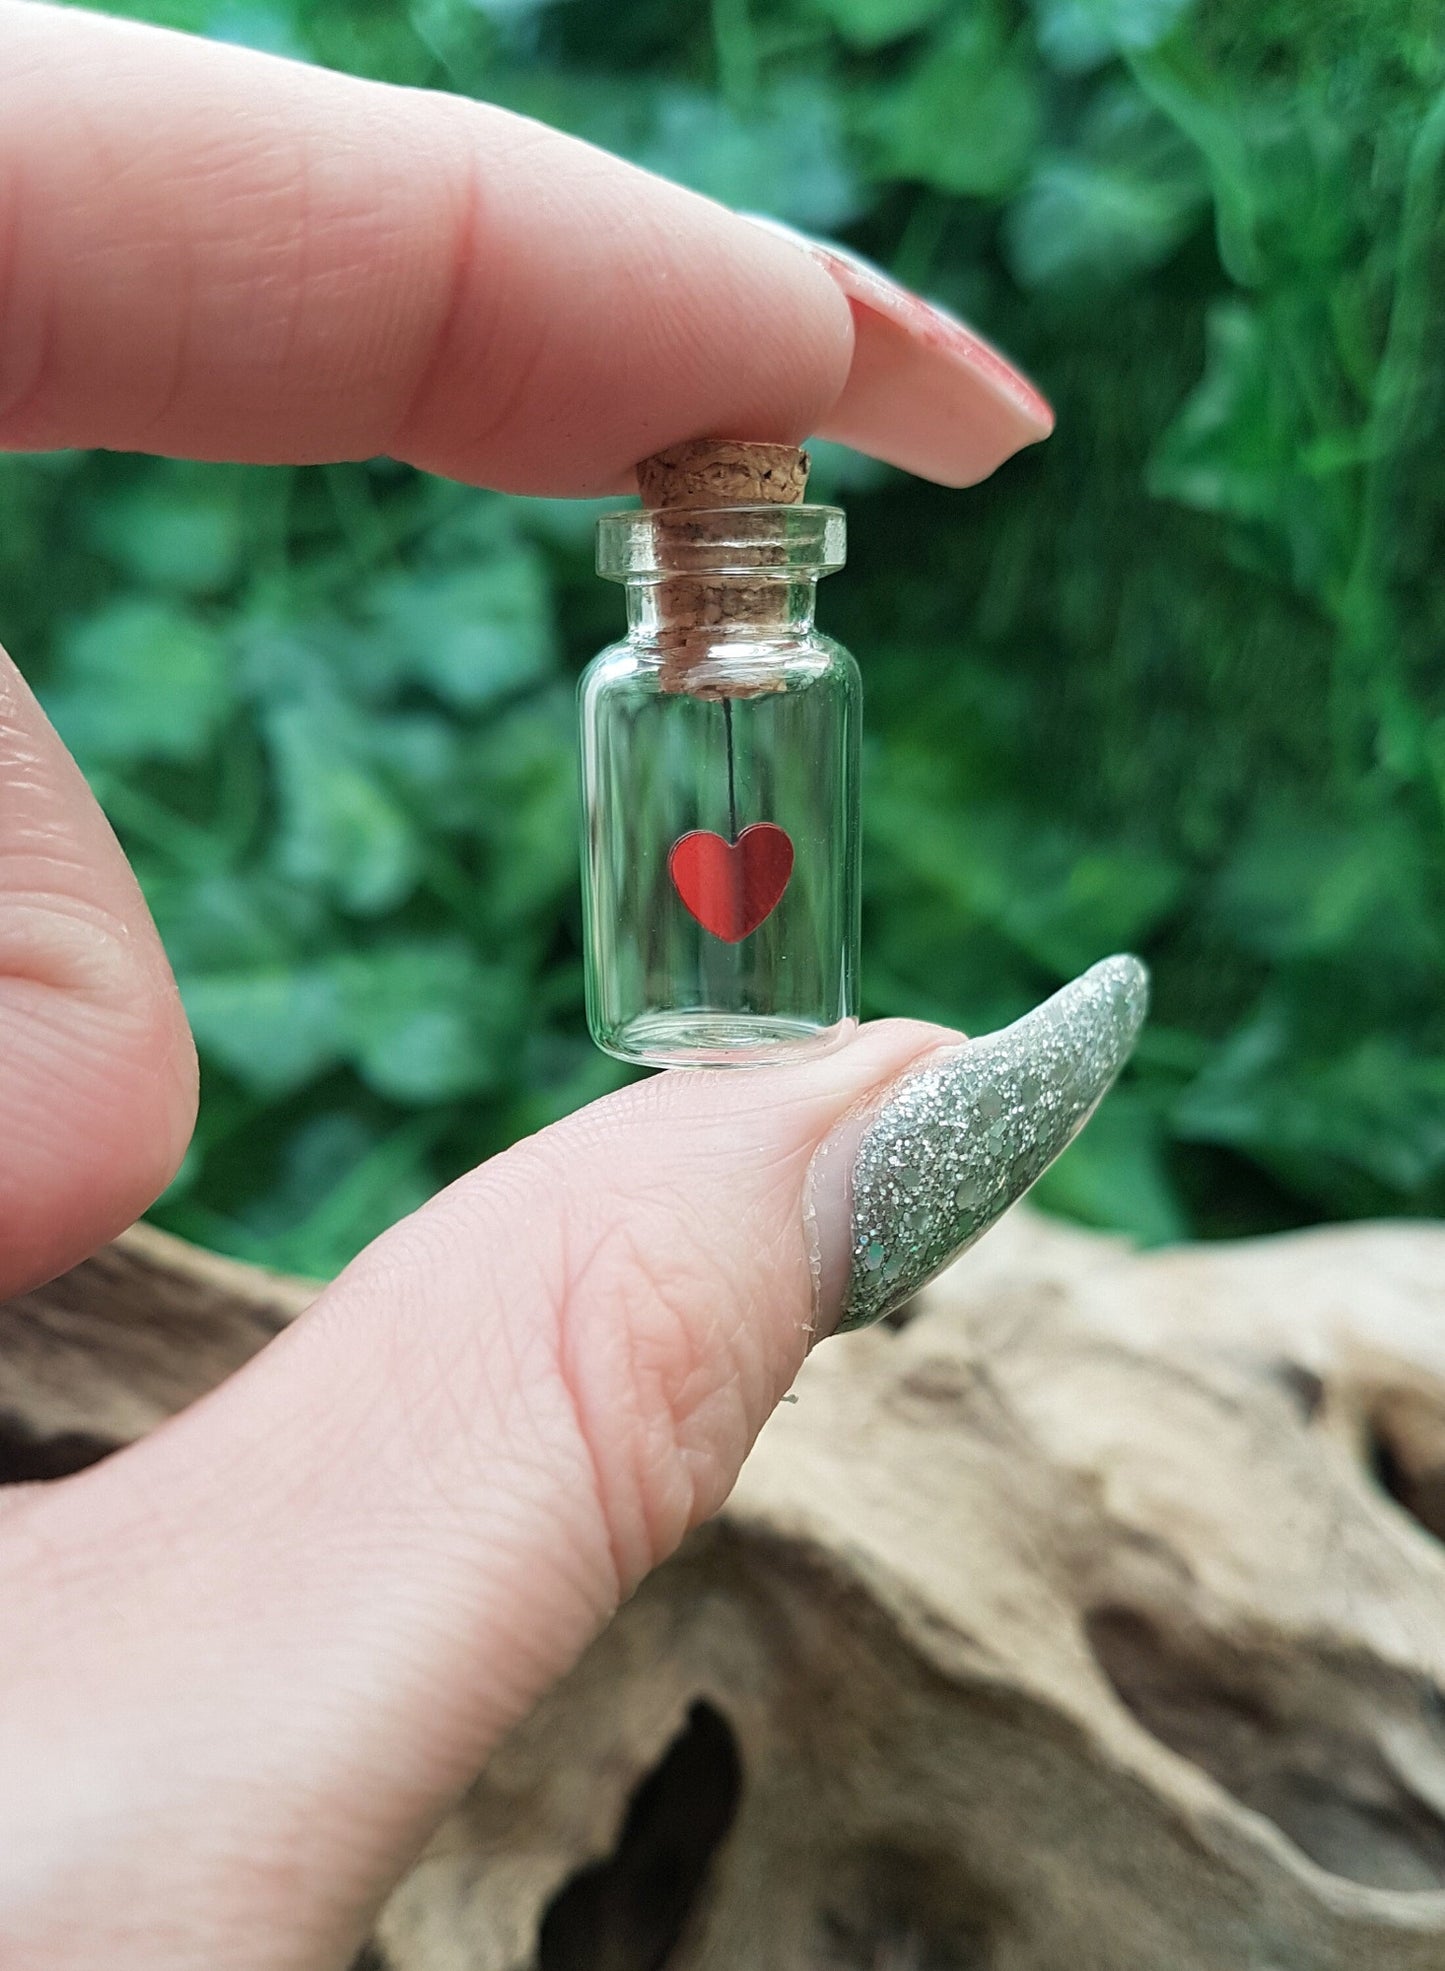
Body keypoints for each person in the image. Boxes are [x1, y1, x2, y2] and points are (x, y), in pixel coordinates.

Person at [0, 5, 1144, 1963]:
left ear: (783, 557)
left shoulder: (794, 678)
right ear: (666, 570)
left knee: (758, 956)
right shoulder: (650, 677)